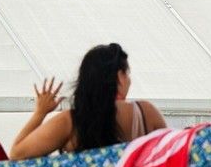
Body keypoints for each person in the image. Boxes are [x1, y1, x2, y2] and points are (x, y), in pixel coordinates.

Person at [10, 43, 167, 160]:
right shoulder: (146, 112)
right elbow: (171, 154)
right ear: (120, 77)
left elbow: (17, 154)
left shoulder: (70, 121)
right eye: (127, 74)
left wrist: (40, 113)